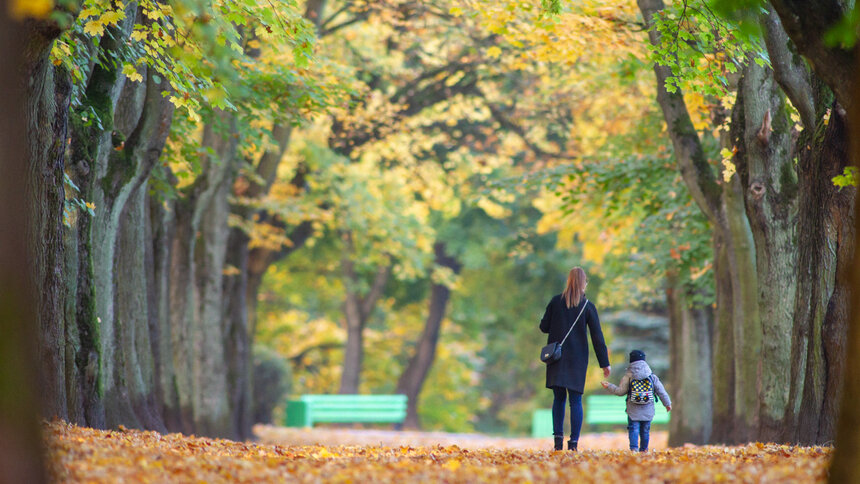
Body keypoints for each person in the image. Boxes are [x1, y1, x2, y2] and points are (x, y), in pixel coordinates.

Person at [540, 267, 610, 451]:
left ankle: (557, 442)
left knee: (559, 399)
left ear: (568, 282)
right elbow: (597, 337)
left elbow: (543, 327)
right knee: (575, 400)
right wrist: (605, 364)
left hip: (557, 358)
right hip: (577, 360)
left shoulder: (556, 302)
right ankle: (574, 443)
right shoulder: (588, 307)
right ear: (583, 283)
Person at [601, 349, 672, 452]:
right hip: (648, 409)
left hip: (633, 409)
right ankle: (644, 450)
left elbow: (620, 392)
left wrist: (609, 386)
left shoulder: (628, 377)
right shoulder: (652, 377)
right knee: (645, 431)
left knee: (633, 429)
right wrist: (667, 404)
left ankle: (634, 449)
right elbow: (661, 392)